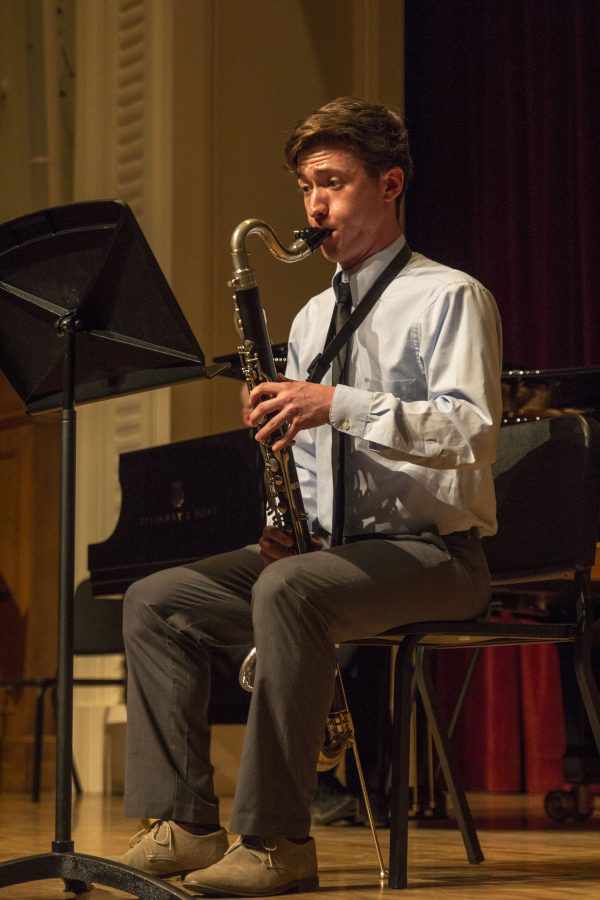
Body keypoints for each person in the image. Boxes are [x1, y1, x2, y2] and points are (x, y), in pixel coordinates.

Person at [114, 96, 503, 896]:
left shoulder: (448, 296)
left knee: (292, 593)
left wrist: (338, 405)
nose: (314, 204)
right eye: (304, 186)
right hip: (327, 555)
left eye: (332, 181)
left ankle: (277, 842)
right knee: (157, 600)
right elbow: (306, 459)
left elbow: (473, 433)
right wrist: (277, 518)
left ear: (389, 184)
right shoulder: (312, 314)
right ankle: (185, 824)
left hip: (434, 556)